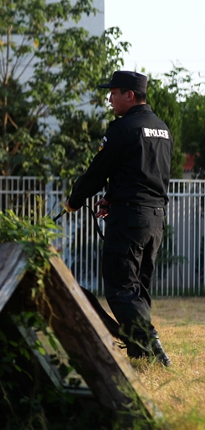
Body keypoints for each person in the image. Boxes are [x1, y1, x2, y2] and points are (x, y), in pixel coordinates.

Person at [64, 71, 172, 365]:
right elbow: (145, 173)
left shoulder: (123, 129)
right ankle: (140, 354)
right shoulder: (161, 129)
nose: (109, 98)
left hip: (128, 221)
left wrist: (74, 201)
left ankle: (154, 348)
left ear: (130, 95)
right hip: (155, 219)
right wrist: (112, 198)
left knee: (120, 286)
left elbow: (98, 171)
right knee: (138, 290)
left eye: (114, 92)